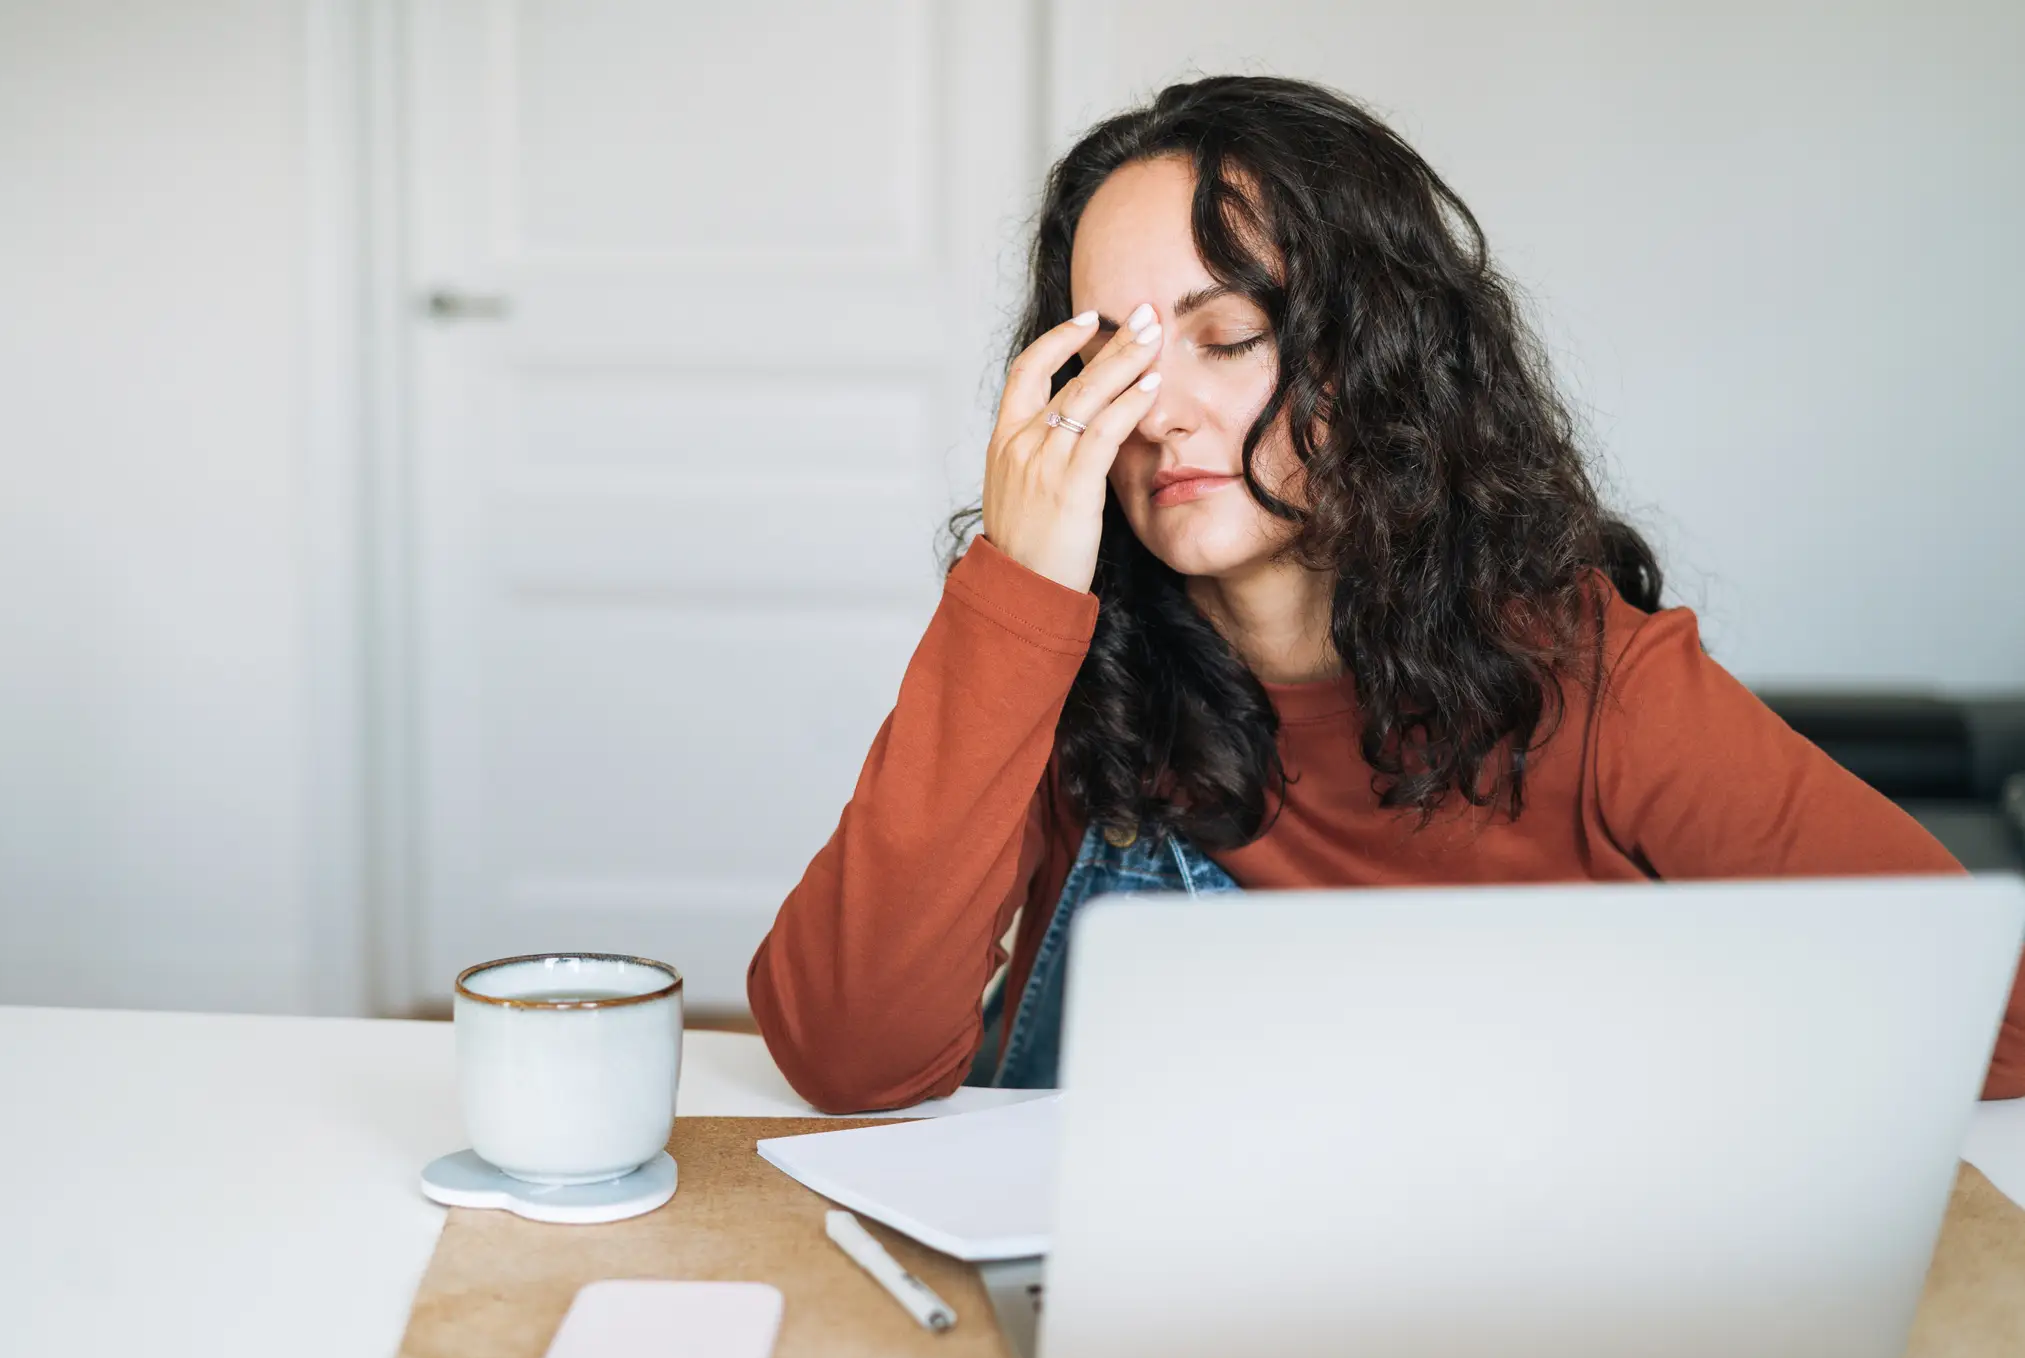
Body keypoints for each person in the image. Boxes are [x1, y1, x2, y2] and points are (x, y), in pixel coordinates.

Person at [745, 75, 2025, 1114]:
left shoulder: (1598, 682)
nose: (1155, 414)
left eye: (1228, 338)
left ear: (1378, 362)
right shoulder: (1058, 668)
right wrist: (1016, 589)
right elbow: (846, 1056)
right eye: (1105, 357)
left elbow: (1993, 1019)